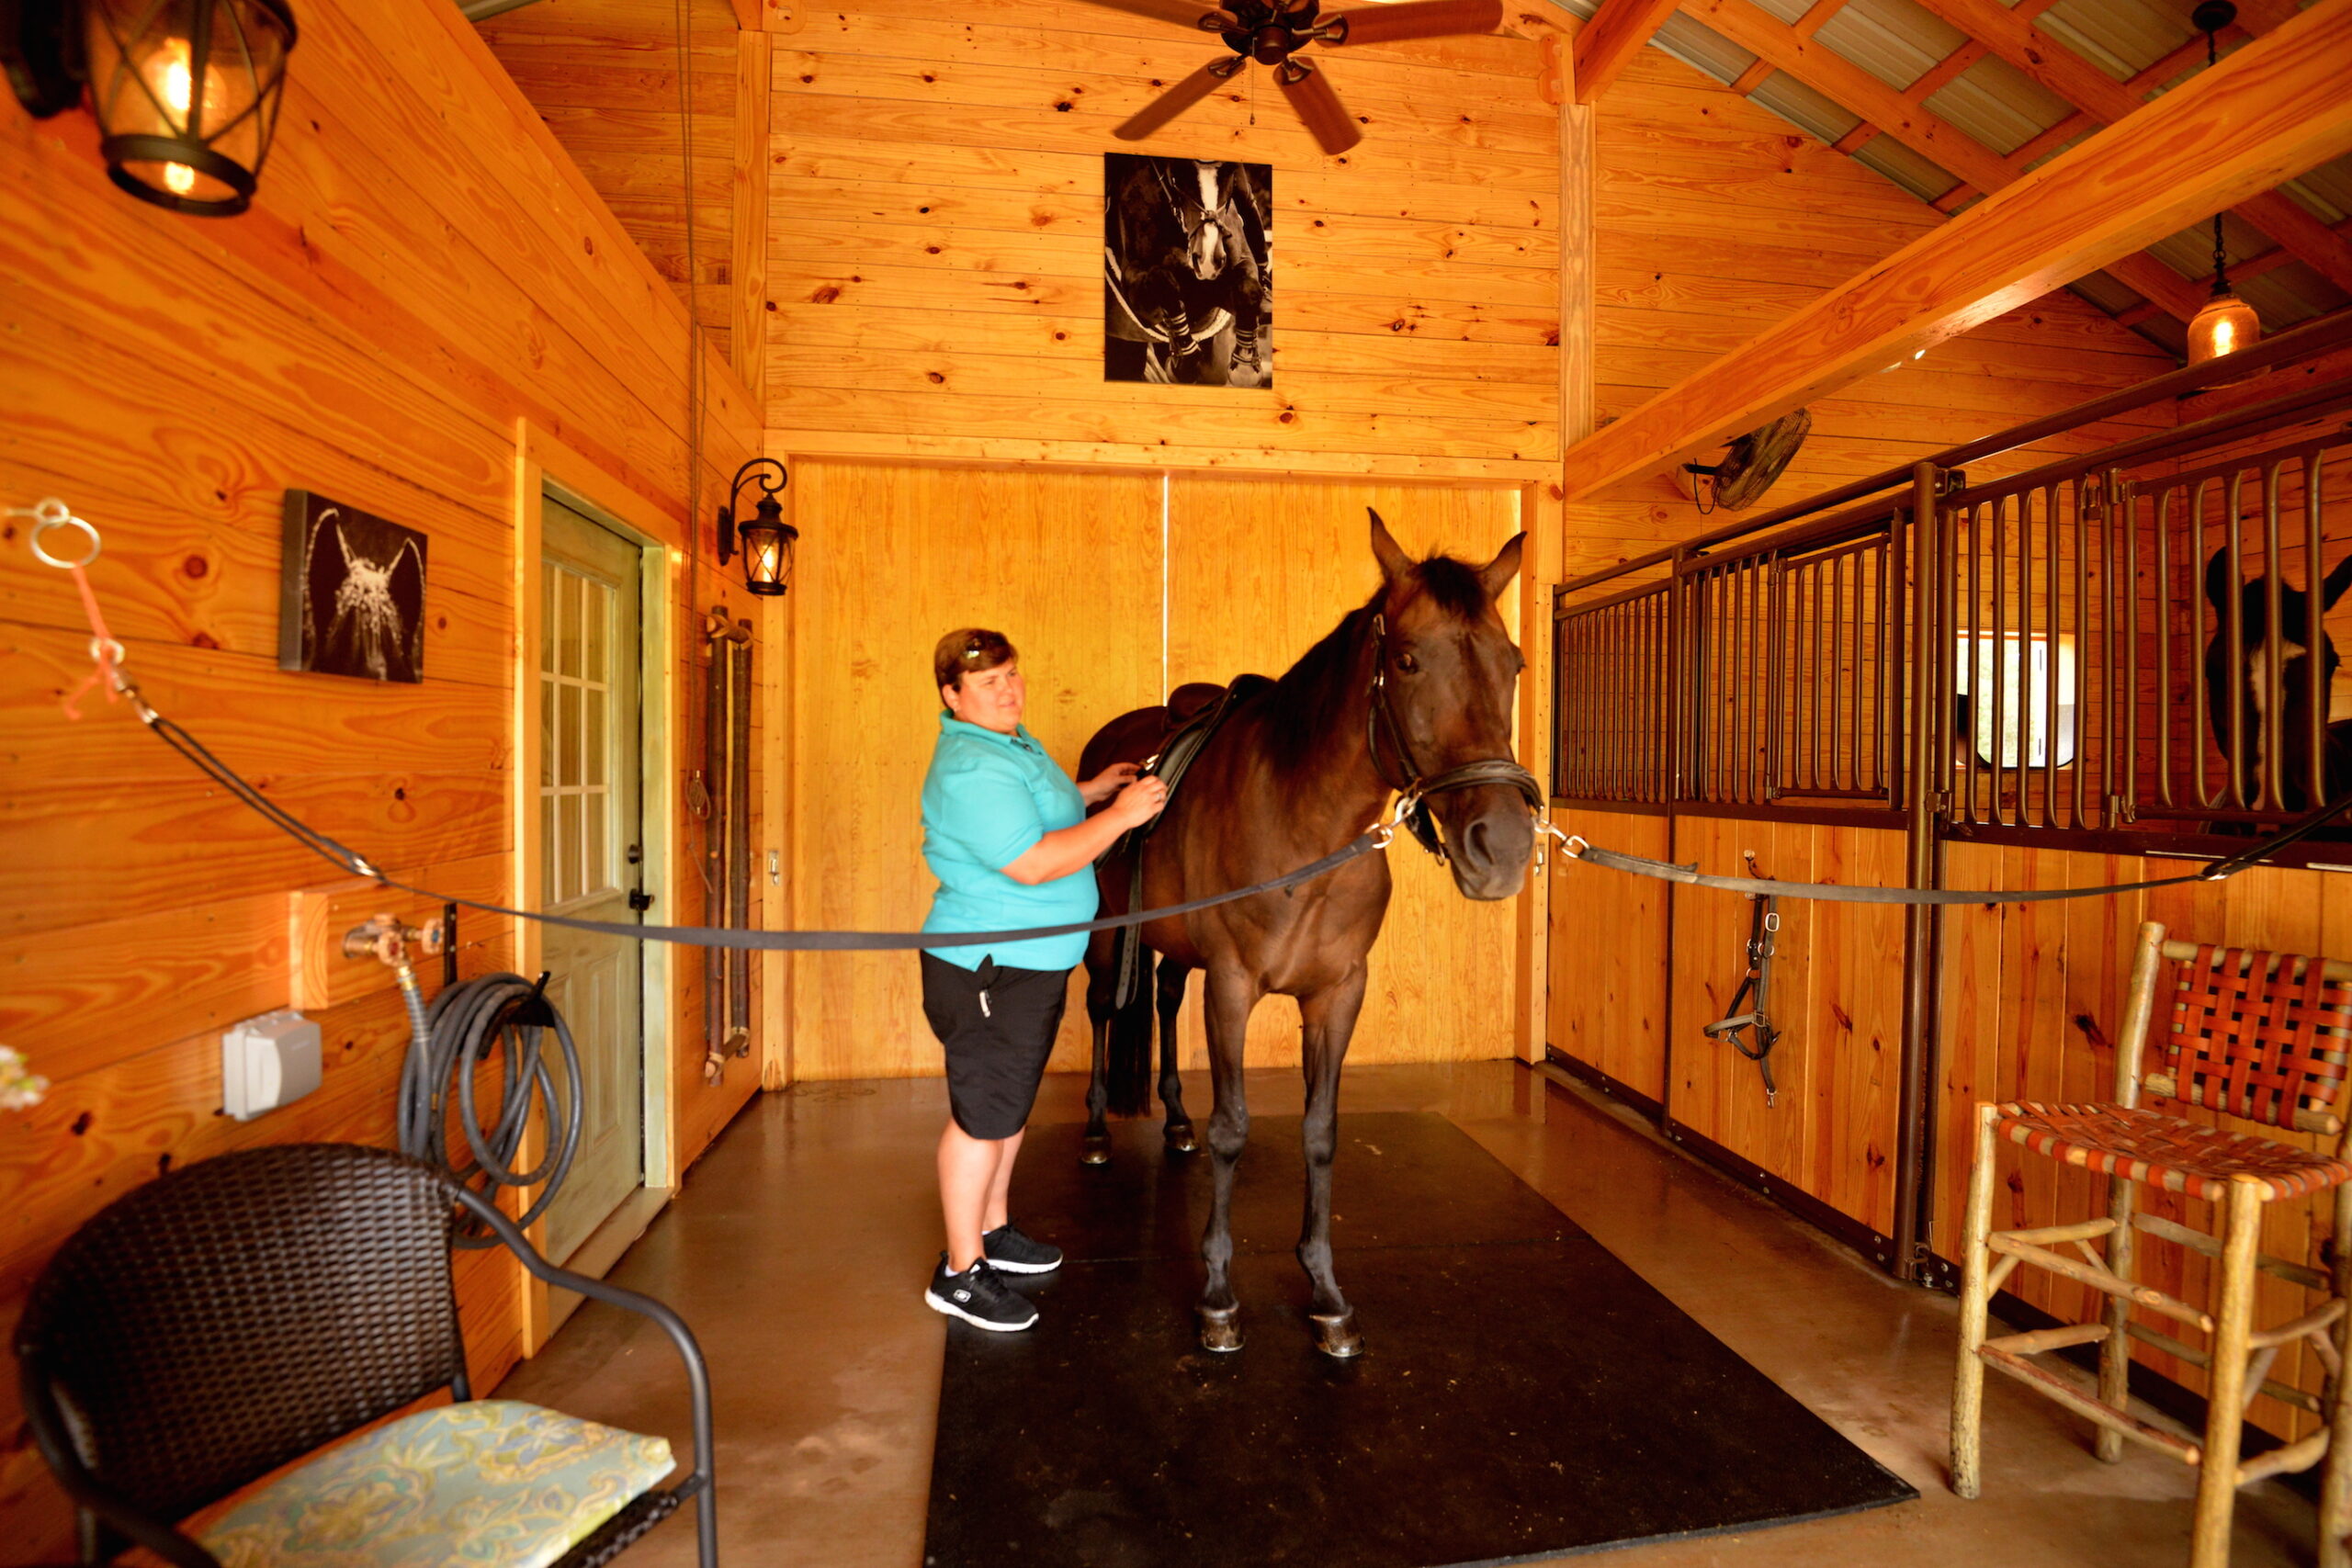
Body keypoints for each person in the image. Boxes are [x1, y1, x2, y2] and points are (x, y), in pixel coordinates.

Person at [918, 627, 1167, 1331]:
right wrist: (1120, 816)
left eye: (1012, 674)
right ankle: (960, 1272)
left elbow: (1037, 805)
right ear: (951, 695)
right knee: (981, 1118)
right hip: (988, 966)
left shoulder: (1011, 742)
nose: (1008, 689)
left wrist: (1090, 789)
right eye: (989, 682)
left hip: (1031, 962)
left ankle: (992, 1231)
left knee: (1008, 1107)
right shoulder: (970, 764)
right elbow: (1030, 861)